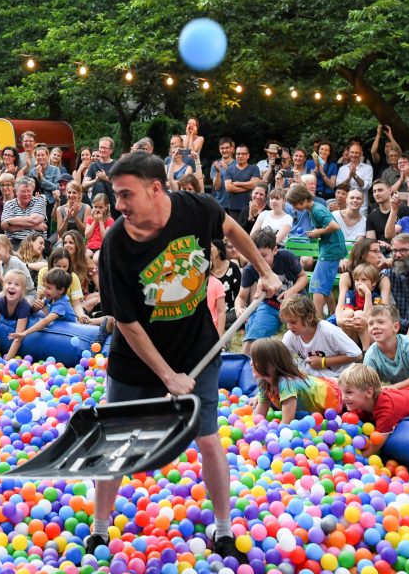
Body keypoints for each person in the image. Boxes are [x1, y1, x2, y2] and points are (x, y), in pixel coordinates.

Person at [89, 151, 280, 562]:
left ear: (155, 189)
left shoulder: (197, 209)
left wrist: (263, 270)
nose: (118, 205)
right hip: (136, 361)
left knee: (209, 441)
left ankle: (224, 529)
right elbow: (126, 322)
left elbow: (231, 227)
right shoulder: (115, 244)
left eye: (125, 195)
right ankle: (100, 530)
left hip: (199, 348)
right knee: (115, 442)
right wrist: (167, 376)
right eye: (115, 195)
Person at [249, 336, 344, 422]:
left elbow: (286, 422)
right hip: (323, 387)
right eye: (251, 359)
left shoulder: (286, 383)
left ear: (273, 364)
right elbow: (259, 417)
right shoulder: (265, 383)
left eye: (256, 360)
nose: (251, 363)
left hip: (337, 394)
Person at [285, 182, 344, 317]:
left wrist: (318, 232)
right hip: (329, 248)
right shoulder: (313, 209)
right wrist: (315, 233)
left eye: (295, 204)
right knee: (325, 285)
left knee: (316, 284)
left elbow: (335, 226)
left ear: (304, 199)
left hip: (331, 250)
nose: (294, 207)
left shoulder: (317, 210)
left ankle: (317, 319)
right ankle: (335, 315)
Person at [280, 294, 362, 379]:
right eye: (286, 322)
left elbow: (357, 354)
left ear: (310, 317)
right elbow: (281, 360)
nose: (289, 326)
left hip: (341, 377)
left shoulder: (328, 331)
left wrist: (324, 362)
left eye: (293, 322)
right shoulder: (290, 336)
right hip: (317, 377)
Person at [0, 269, 32, 359]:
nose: (12, 287)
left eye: (17, 284)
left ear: (23, 290)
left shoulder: (24, 306)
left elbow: (18, 338)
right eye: (9, 283)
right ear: (3, 285)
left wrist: (7, 360)